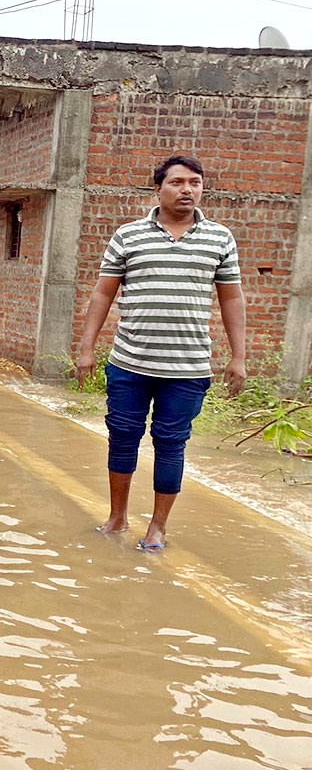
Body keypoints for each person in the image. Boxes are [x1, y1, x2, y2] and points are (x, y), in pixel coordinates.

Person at [77, 155, 246, 552]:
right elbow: (104, 292)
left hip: (187, 368)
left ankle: (157, 527)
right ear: (158, 189)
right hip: (129, 363)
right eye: (177, 182)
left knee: (171, 443)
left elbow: (232, 299)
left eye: (195, 183)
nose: (187, 190)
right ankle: (117, 517)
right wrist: (86, 349)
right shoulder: (128, 236)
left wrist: (238, 357)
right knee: (122, 439)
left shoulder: (220, 238)